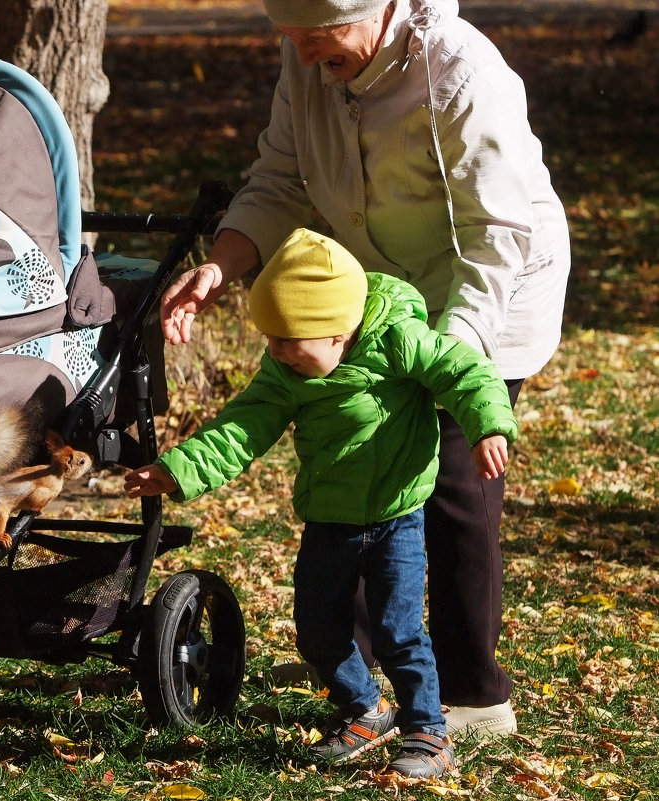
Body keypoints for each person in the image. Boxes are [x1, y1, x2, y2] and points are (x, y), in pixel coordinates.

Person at [158, 0, 570, 739]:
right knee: (354, 446)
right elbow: (281, 177)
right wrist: (221, 266)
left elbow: (494, 234)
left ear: (377, 8)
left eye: (322, 37)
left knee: (449, 480)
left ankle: (475, 691)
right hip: (370, 291)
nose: (309, 56)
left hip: (485, 284)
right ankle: (353, 655)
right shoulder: (311, 55)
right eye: (295, 40)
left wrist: (447, 363)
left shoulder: (460, 71)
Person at [126, 228, 518, 777]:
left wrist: (488, 429)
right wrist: (178, 469)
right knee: (316, 631)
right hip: (329, 518)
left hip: (395, 517)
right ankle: (365, 709)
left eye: (290, 340)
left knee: (397, 629)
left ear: (340, 333)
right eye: (271, 339)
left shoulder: (399, 340)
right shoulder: (286, 370)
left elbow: (466, 373)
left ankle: (428, 732)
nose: (278, 353)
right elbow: (243, 425)